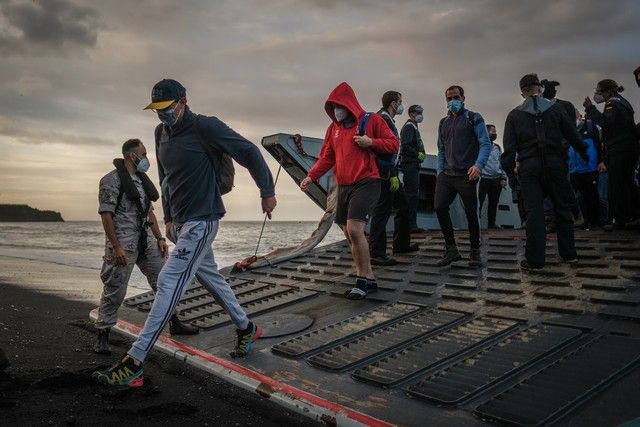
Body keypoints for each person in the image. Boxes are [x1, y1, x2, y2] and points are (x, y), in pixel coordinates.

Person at [93, 79, 277, 387]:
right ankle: (246, 328)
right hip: (180, 224)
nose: (162, 115)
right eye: (157, 111)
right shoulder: (160, 134)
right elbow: (165, 178)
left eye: (167, 109)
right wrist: (167, 218)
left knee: (168, 279)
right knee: (211, 277)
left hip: (203, 219)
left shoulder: (205, 127)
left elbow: (248, 152)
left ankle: (135, 362)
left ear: (183, 101)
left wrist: (266, 191)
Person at [94, 139, 198, 355]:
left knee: (164, 281)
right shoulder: (111, 181)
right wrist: (116, 247)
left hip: (146, 240)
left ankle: (174, 321)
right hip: (124, 242)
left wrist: (160, 238)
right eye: (143, 153)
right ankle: (102, 333)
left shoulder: (140, 182)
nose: (146, 158)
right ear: (133, 156)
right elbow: (106, 215)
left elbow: (149, 212)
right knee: (115, 288)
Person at [301, 82, 399, 299]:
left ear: (349, 104)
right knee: (348, 232)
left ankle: (361, 281)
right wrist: (311, 176)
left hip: (367, 181)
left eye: (339, 105)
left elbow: (393, 145)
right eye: (332, 106)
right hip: (344, 185)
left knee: (355, 230)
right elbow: (327, 157)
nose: (336, 110)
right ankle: (369, 278)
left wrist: (370, 141)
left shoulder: (371, 120)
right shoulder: (333, 129)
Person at [502, 74, 588, 270]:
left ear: (522, 91)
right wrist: (584, 154)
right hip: (556, 165)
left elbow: (509, 150)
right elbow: (573, 135)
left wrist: (511, 174)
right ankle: (569, 255)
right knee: (562, 210)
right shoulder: (556, 109)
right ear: (539, 88)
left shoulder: (514, 115)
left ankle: (535, 260)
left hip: (530, 169)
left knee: (535, 214)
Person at [434, 85, 491, 267]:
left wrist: (478, 165)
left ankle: (475, 252)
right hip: (447, 175)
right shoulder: (443, 123)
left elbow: (485, 144)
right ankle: (451, 249)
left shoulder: (474, 118)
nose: (452, 101)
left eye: (456, 97)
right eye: (449, 98)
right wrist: (439, 171)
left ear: (463, 98)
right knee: (439, 207)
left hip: (467, 174)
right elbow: (441, 149)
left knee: (471, 213)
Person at [368, 91, 418, 266]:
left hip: (391, 172)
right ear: (394, 103)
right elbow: (388, 148)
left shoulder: (386, 119)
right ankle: (376, 253)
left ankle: (401, 245)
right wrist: (392, 173)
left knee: (403, 207)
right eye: (400, 102)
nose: (401, 105)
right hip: (385, 174)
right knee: (381, 212)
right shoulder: (383, 119)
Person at [584, 79, 639, 230]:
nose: (597, 95)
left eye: (599, 91)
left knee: (618, 186)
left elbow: (605, 122)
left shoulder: (612, 104)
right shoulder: (623, 102)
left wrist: (590, 109)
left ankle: (620, 219)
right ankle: (633, 214)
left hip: (620, 150)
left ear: (608, 91)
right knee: (628, 184)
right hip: (627, 149)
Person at [541, 78, 584, 226]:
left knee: (563, 184)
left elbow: (570, 129)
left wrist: (563, 146)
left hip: (560, 151)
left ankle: (575, 213)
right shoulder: (539, 107)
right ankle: (552, 217)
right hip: (544, 152)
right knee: (547, 185)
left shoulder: (565, 106)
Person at [569, 109, 603, 229]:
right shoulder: (568, 131)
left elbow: (599, 145)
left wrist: (602, 161)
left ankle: (597, 222)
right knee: (577, 198)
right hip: (574, 170)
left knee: (592, 197)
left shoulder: (590, 127)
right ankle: (584, 222)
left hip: (590, 168)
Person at [400, 104, 427, 233]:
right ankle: (410, 225)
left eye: (421, 112)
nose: (420, 115)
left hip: (413, 164)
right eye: (418, 112)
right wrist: (417, 154)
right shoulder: (409, 127)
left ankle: (410, 224)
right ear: (411, 113)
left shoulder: (414, 127)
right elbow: (405, 146)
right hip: (409, 164)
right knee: (411, 195)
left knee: (413, 195)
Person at [478, 124, 507, 229]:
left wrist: (503, 177)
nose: (495, 134)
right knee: (479, 202)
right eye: (492, 132)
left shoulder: (497, 148)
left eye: (495, 132)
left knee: (493, 203)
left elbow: (501, 163)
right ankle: (475, 224)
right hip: (484, 178)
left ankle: (491, 224)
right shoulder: (479, 147)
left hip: (497, 179)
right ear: (486, 133)